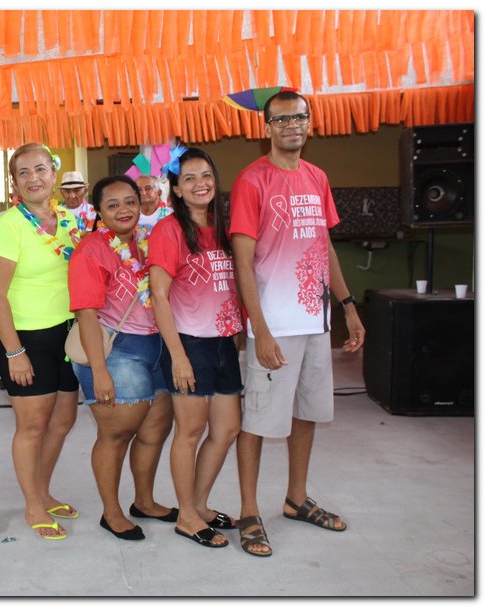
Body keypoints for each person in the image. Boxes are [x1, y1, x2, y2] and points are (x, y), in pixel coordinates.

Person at [229, 91, 365, 557]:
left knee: (306, 413)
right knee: (259, 422)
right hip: (275, 324)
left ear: (310, 124)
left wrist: (345, 304)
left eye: (299, 117)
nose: (291, 125)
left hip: (315, 321)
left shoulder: (317, 177)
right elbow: (242, 263)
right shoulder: (253, 181)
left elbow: (323, 245)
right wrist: (259, 330)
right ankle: (249, 511)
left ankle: (296, 498)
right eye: (281, 118)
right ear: (266, 127)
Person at [67, 175, 176, 541]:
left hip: (155, 348)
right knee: (117, 434)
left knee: (155, 430)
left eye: (130, 200)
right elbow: (85, 313)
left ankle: (144, 501)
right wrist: (99, 371)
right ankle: (111, 513)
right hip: (115, 351)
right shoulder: (90, 251)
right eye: (112, 205)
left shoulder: (150, 242)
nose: (124, 209)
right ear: (98, 211)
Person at [0, 143, 83, 541]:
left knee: (63, 421)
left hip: (67, 333)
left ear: (54, 175)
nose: (33, 178)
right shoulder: (9, 225)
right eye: (23, 172)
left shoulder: (67, 219)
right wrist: (14, 353)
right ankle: (32, 506)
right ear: (14, 182)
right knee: (33, 426)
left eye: (40, 169)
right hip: (26, 336)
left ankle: (42, 490)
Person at [148, 147, 243, 550]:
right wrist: (179, 355)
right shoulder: (168, 231)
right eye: (189, 178)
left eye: (205, 175)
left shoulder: (226, 226)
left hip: (224, 342)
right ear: (177, 189)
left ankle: (199, 504)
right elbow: (159, 294)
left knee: (226, 429)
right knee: (189, 432)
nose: (199, 183)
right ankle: (186, 515)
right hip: (189, 343)